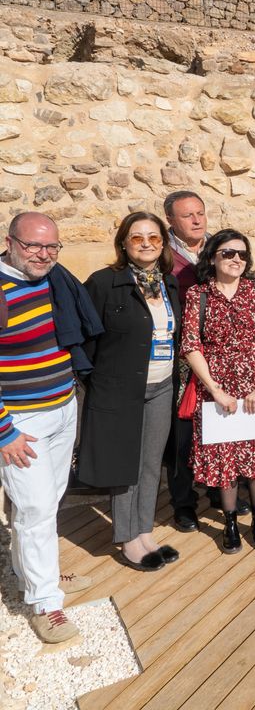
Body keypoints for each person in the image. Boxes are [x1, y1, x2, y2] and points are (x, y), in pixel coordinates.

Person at [1, 212, 102, 643]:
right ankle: (45, 602)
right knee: (36, 509)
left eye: (51, 247)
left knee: (49, 500)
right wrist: (3, 431)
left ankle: (32, 568)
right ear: (10, 242)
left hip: (63, 407)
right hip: (20, 421)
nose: (43, 255)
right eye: (33, 246)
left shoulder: (55, 279)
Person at [181, 230, 255, 554]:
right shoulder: (198, 295)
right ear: (212, 257)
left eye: (242, 254)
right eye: (228, 252)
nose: (236, 259)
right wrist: (215, 390)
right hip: (218, 390)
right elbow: (191, 345)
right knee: (225, 460)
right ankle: (231, 521)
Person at [79, 213, 181, 572]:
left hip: (162, 386)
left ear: (163, 244)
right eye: (137, 237)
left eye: (153, 237)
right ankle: (126, 537)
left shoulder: (168, 284)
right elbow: (84, 339)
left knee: (151, 464)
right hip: (120, 389)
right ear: (123, 243)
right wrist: (99, 381)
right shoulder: (104, 283)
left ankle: (143, 530)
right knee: (124, 465)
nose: (146, 243)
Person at [162, 191, 234, 531]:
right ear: (171, 222)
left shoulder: (220, 250)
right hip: (183, 358)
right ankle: (184, 502)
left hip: (222, 356)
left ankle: (223, 492)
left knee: (222, 428)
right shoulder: (163, 258)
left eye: (200, 213)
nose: (196, 220)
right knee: (183, 434)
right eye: (188, 215)